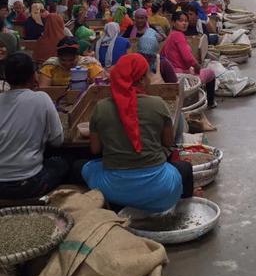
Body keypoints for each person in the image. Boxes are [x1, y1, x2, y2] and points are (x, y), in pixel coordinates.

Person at [82, 54, 192, 212]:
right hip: (160, 189)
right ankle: (179, 211)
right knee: (185, 168)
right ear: (140, 80)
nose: (149, 79)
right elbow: (168, 142)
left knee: (86, 168)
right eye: (147, 75)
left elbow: (95, 149)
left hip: (114, 189)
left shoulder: (101, 107)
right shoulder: (158, 104)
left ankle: (115, 206)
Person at [0, 52, 68, 199]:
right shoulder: (41, 98)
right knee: (61, 162)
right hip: (28, 185)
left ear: (6, 77)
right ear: (33, 76)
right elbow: (57, 141)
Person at [162, 12, 217, 108]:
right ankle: (210, 103)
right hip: (182, 76)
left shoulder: (171, 35)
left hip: (173, 74)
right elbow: (188, 58)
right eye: (181, 21)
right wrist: (197, 67)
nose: (184, 23)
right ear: (173, 22)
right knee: (211, 73)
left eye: (186, 21)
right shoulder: (178, 36)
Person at [39, 37, 104, 87]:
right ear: (58, 57)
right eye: (63, 60)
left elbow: (100, 87)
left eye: (71, 60)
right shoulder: (50, 67)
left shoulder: (89, 64)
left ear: (78, 56)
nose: (67, 63)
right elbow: (44, 89)